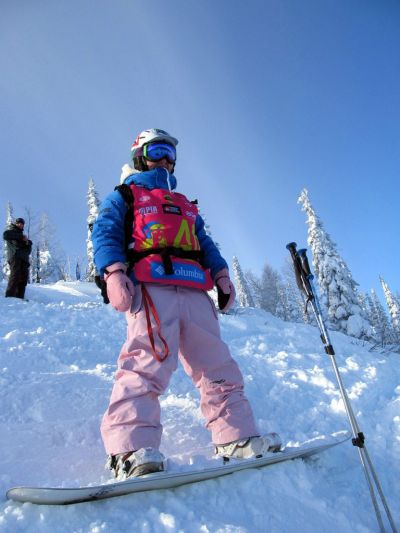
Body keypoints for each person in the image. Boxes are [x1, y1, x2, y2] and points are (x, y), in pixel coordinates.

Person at [92, 128, 280, 480]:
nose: (165, 159)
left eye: (170, 153)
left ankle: (234, 436)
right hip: (152, 287)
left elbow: (205, 242)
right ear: (139, 157)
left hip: (194, 289)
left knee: (216, 365)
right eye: (157, 151)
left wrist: (221, 274)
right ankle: (129, 449)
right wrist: (113, 272)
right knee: (146, 364)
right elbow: (105, 231)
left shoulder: (185, 204)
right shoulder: (125, 194)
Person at [3, 217, 32, 299]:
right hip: (15, 256)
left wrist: (28, 243)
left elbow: (28, 251)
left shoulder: (23, 237)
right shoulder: (11, 231)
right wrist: (21, 238)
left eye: (22, 224)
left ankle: (20, 297)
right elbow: (5, 235)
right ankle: (10, 296)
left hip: (24, 260)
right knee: (15, 275)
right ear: (16, 224)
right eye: (18, 223)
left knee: (24, 278)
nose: (20, 224)